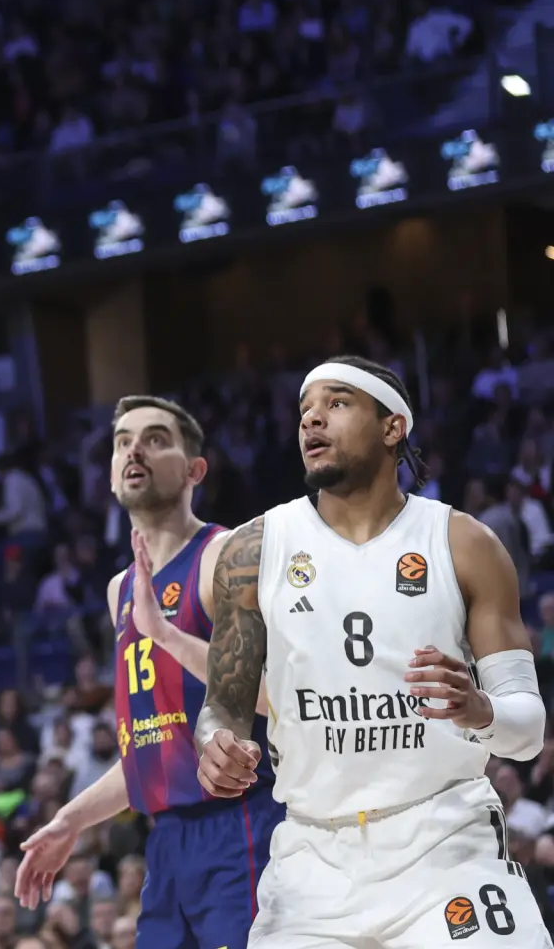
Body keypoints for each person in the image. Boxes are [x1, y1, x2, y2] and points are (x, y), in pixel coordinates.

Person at [197, 356, 550, 948]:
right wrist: (215, 744)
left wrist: (480, 709)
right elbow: (223, 707)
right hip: (313, 863)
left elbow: (528, 732)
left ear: (393, 427)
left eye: (336, 403)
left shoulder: (464, 543)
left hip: (444, 848)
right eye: (305, 410)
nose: (311, 420)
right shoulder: (252, 550)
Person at [16, 396, 283, 949]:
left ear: (194, 470)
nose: (135, 450)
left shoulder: (226, 556)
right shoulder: (120, 589)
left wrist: (165, 634)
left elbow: (275, 697)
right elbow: (152, 752)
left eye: (156, 439)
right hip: (166, 844)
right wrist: (71, 819)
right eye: (123, 442)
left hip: (243, 826)